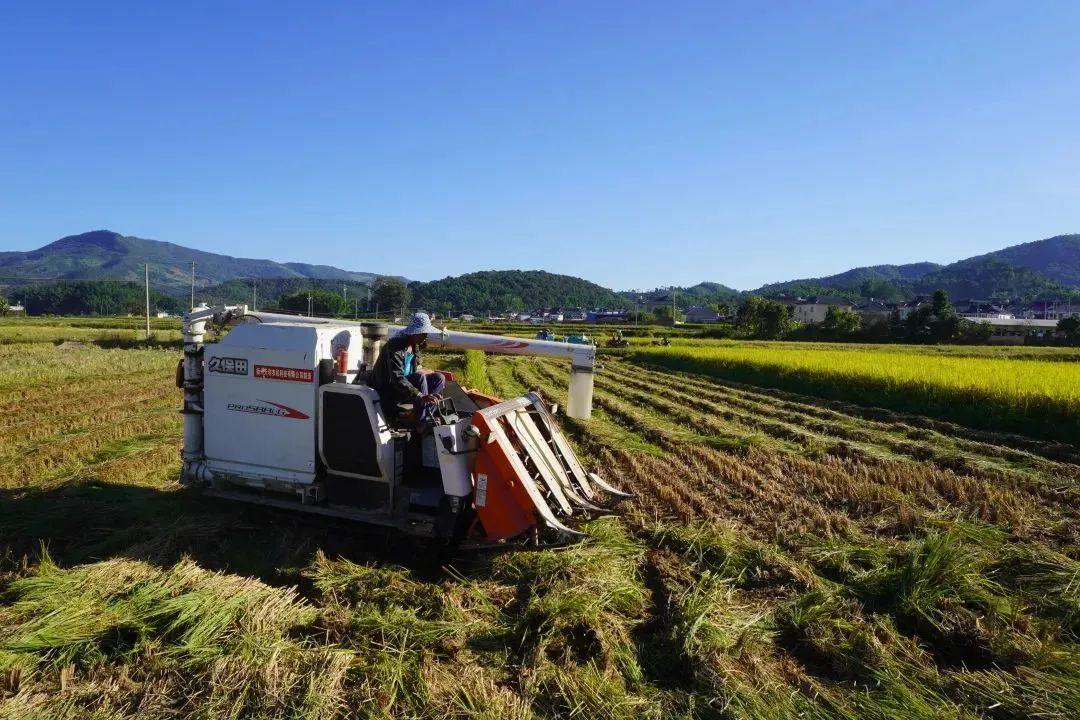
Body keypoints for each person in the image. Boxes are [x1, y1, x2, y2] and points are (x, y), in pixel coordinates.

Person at [370, 312, 446, 426]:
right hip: (389, 389)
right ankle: (421, 422)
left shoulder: (415, 346)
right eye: (424, 333)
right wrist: (420, 396)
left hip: (405, 389)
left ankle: (427, 413)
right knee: (420, 377)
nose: (426, 336)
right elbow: (397, 377)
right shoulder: (395, 346)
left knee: (439, 378)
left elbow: (414, 371)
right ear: (415, 333)